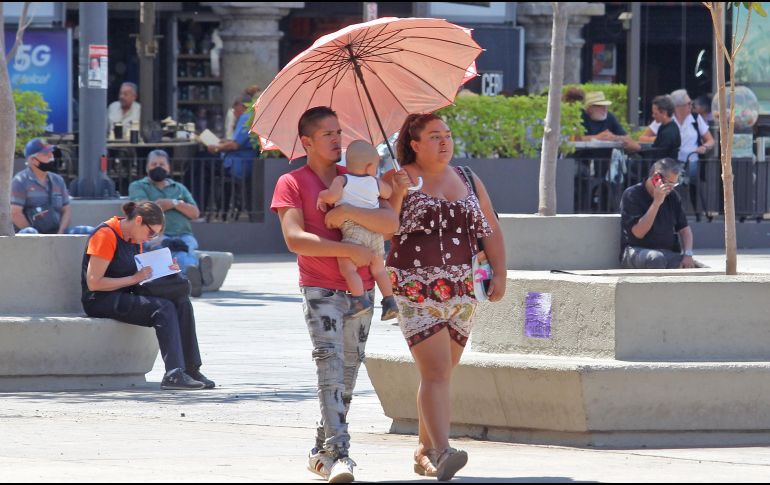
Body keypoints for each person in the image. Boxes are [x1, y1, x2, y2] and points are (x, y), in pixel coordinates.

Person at [271, 106, 399, 483]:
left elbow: (390, 223)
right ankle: (341, 453)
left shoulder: (357, 175)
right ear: (306, 142)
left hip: (363, 288)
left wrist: (355, 207)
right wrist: (348, 250)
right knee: (329, 366)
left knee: (348, 371)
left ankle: (322, 451)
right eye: (327, 134)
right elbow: (295, 239)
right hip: (321, 287)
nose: (336, 139)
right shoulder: (292, 182)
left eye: (338, 132)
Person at [383, 113, 506, 481]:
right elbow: (385, 225)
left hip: (464, 290)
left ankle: (424, 451)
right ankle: (441, 449)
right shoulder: (396, 178)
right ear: (414, 143)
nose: (444, 142)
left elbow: (491, 226)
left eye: (447, 135)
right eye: (434, 136)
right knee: (436, 371)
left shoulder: (467, 177)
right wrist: (399, 192)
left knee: (441, 374)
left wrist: (500, 272)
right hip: (415, 290)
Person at [81, 201, 215, 390]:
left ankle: (190, 368)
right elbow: (94, 282)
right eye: (151, 232)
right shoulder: (105, 234)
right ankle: (173, 373)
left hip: (126, 293)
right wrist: (134, 278)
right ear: (138, 221)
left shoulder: (135, 239)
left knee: (181, 302)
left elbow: (139, 276)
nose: (150, 238)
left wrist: (167, 271)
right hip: (100, 299)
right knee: (163, 308)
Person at [316, 140, 399, 320]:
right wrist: (378, 181)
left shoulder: (342, 180)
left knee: (348, 268)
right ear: (370, 166)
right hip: (374, 231)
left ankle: (359, 300)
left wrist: (322, 196)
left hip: (354, 230)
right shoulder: (374, 182)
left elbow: (331, 196)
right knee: (379, 269)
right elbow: (388, 193)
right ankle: (390, 301)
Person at [128, 149, 213, 298]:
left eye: (162, 164)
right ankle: (196, 270)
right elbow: (143, 209)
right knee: (176, 249)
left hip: (185, 233)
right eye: (154, 164)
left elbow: (194, 213)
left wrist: (173, 203)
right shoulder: (138, 186)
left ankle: (192, 276)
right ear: (147, 167)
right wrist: (167, 204)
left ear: (168, 167)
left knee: (185, 246)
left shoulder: (179, 188)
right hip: (157, 236)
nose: (158, 167)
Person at [619, 158, 701, 269]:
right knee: (656, 259)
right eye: (670, 184)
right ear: (656, 177)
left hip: (666, 252)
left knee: (696, 268)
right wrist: (656, 203)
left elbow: (685, 230)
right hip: (637, 251)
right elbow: (638, 233)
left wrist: (688, 254)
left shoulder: (673, 196)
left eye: (674, 184)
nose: (671, 188)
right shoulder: (632, 194)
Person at [649, 89, 716, 220]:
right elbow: (645, 137)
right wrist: (660, 140)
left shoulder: (696, 118)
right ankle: (669, 210)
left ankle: (696, 212)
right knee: (668, 176)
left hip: (691, 160)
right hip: (672, 161)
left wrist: (704, 147)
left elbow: (710, 140)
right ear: (679, 106)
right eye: (689, 103)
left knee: (688, 177)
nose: (692, 106)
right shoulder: (667, 119)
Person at [11, 138, 93, 235]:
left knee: (91, 231)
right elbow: (15, 213)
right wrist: (38, 237)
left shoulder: (58, 180)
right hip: (31, 235)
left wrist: (60, 233)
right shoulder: (20, 181)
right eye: (46, 154)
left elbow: (66, 210)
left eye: (51, 152)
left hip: (57, 232)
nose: (51, 157)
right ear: (34, 160)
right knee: (30, 232)